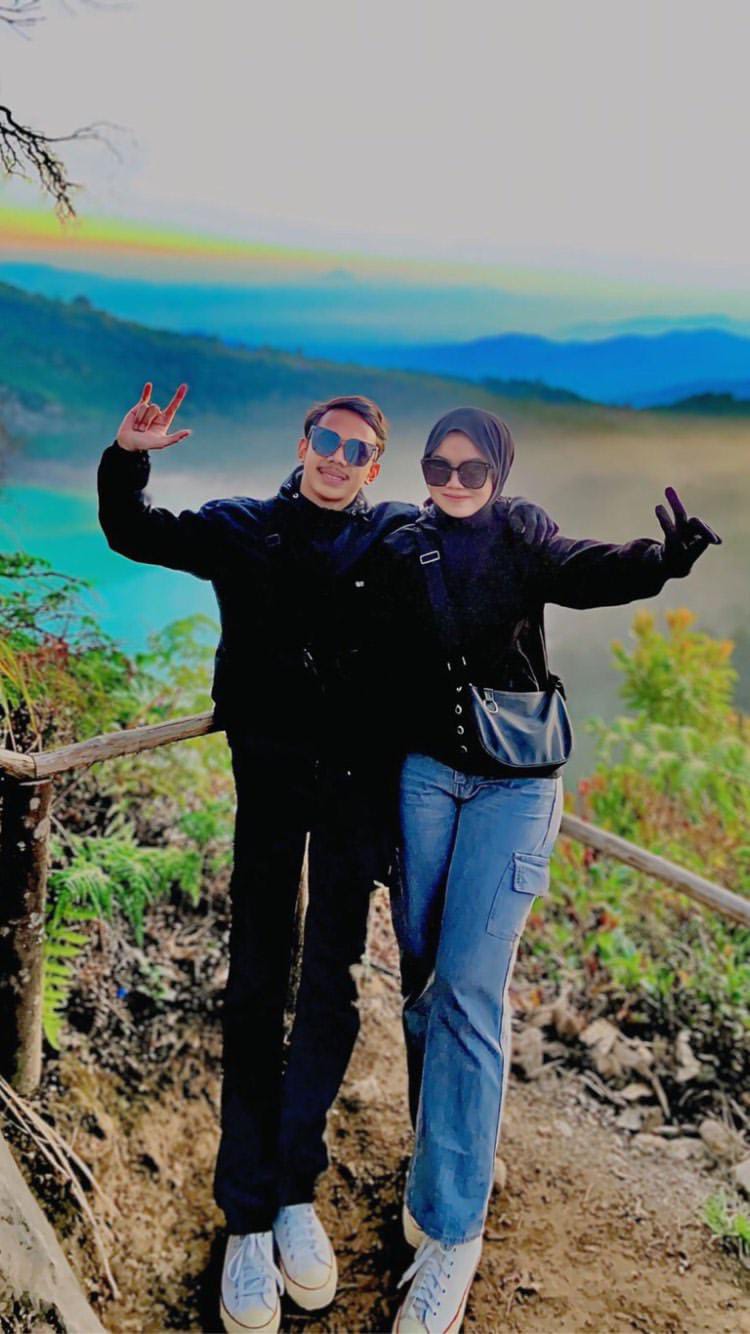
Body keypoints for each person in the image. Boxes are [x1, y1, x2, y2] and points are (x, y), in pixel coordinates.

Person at [97, 385, 554, 1334]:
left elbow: (474, 538)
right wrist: (127, 457)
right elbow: (134, 533)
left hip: (354, 799)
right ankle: (246, 1219)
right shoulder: (241, 527)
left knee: (332, 991)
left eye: (357, 450)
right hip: (270, 790)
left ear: (374, 466)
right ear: (302, 441)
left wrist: (526, 526)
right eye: (326, 440)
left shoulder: (392, 537)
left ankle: (294, 1189)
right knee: (257, 985)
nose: (338, 459)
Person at [366, 407, 721, 1334]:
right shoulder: (403, 544)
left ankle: (453, 1232)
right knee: (423, 984)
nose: (452, 482)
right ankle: (443, 1161)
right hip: (422, 779)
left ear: (499, 470)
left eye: (470, 469)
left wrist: (660, 562)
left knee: (470, 991)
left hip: (513, 787)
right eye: (437, 467)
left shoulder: (521, 532)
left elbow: (584, 567)